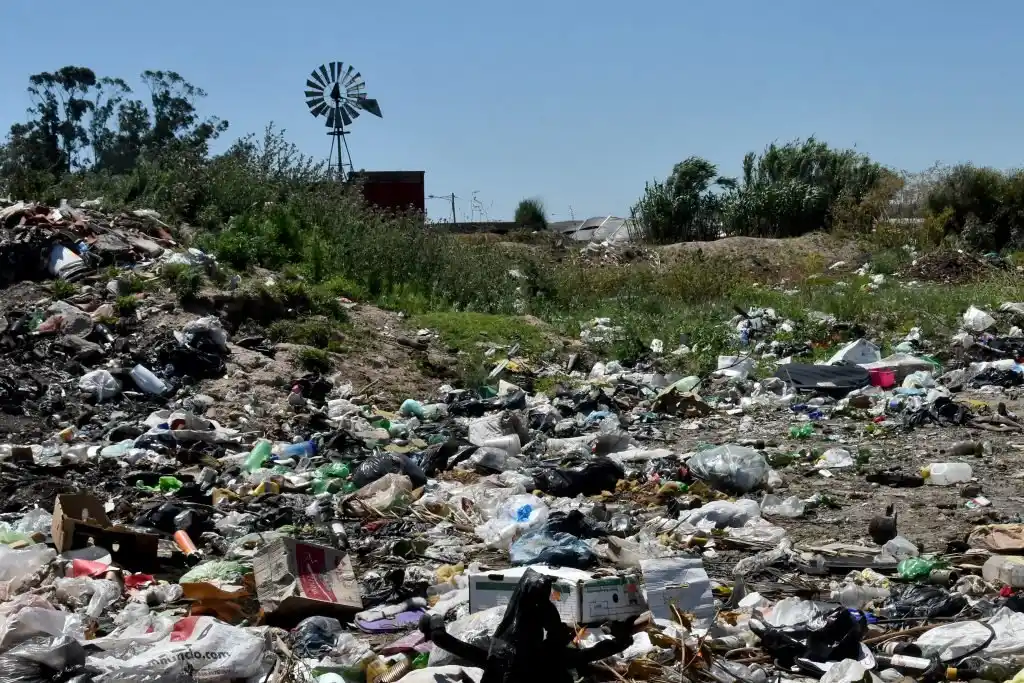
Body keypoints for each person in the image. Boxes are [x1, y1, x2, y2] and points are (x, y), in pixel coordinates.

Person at [419, 569, 634, 683]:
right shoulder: (549, 657)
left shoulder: (500, 654)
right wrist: (623, 638)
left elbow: (444, 640)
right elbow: (588, 652)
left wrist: (434, 620)